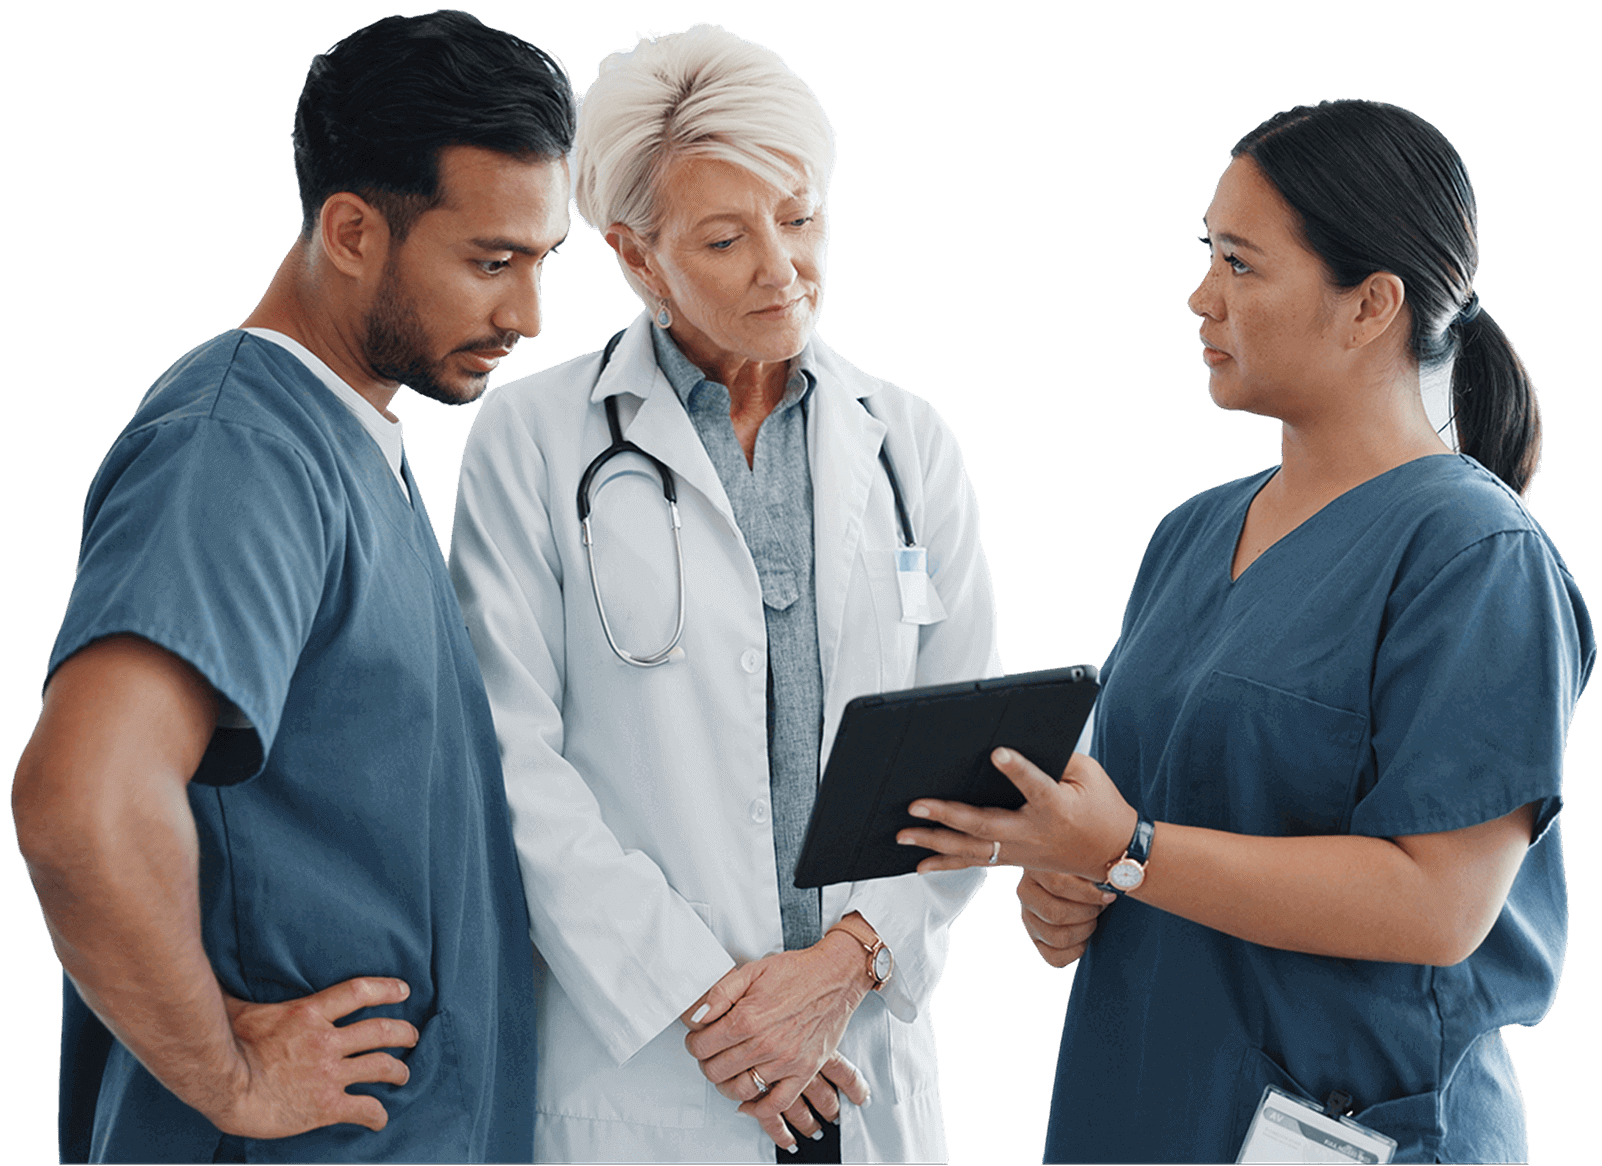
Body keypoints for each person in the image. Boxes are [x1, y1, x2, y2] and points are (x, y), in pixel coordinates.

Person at [896, 99, 1592, 1163]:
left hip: (1353, 1123)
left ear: (1369, 307)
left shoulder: (1475, 555)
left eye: (1241, 264)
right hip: (1137, 1102)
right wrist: (1066, 883)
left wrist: (1128, 851)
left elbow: (1439, 905)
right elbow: (1148, 817)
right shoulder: (1193, 532)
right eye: (1206, 257)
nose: (1200, 296)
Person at [12, 12, 574, 1162]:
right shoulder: (240, 453)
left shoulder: (353, 441)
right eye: (490, 261)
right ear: (354, 230)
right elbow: (83, 801)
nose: (527, 316)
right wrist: (231, 1074)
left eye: (540, 261)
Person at [446, 23, 1003, 1163]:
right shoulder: (531, 439)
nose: (782, 267)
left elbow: (974, 747)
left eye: (800, 217)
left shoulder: (908, 440)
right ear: (637, 256)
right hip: (654, 1061)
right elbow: (510, 760)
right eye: (724, 237)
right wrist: (723, 1011)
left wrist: (851, 959)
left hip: (860, 1051)